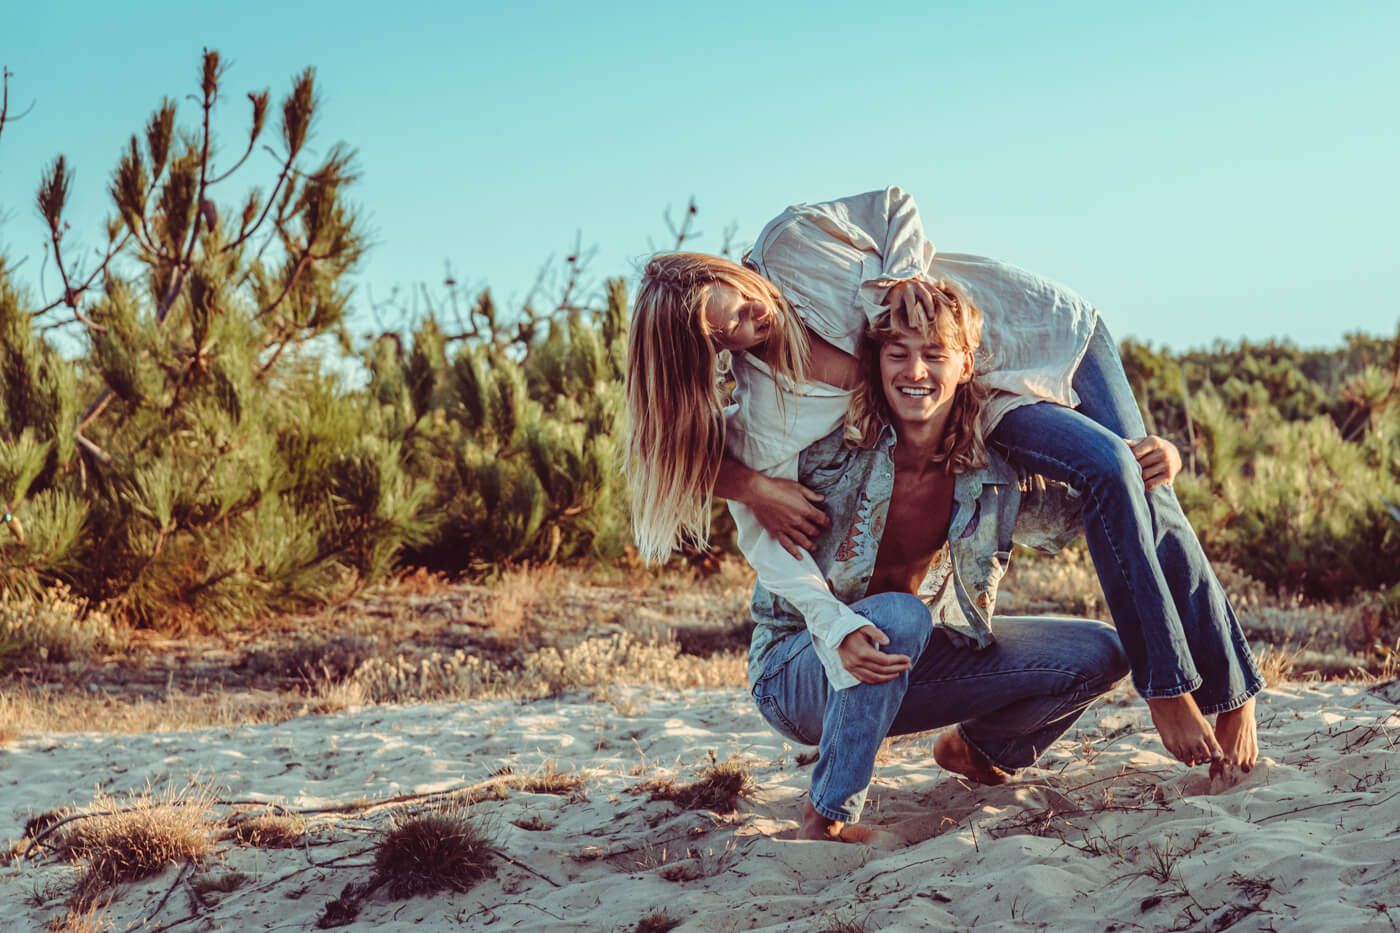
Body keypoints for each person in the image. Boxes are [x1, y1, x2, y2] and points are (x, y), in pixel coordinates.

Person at [625, 186, 1262, 773]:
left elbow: (895, 204)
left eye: (734, 307)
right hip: (974, 395)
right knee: (1113, 469)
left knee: (1148, 487)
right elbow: (674, 445)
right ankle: (1166, 690)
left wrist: (904, 275)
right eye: (721, 336)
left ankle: (1227, 696)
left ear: (724, 270)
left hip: (1036, 333)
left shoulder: (791, 246)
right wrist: (754, 487)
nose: (746, 326)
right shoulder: (769, 397)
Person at [746, 280, 1128, 841]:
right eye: (897, 353)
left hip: (895, 665)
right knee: (900, 614)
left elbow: (1072, 516)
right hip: (795, 669)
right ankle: (825, 816)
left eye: (934, 355)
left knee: (1099, 651)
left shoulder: (988, 470)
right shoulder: (827, 446)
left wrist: (1136, 461)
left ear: (966, 365)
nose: (914, 371)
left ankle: (975, 750)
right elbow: (715, 439)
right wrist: (751, 485)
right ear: (875, 362)